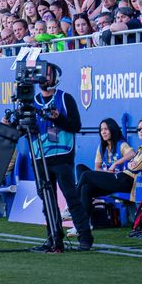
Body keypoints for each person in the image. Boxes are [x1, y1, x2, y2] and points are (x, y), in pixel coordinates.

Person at [28, 62, 93, 251]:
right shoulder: (31, 102)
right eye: (41, 74)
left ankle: (85, 237)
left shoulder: (65, 98)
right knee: (47, 201)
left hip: (62, 156)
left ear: (56, 77)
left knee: (72, 198)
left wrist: (59, 118)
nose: (44, 77)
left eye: (48, 74)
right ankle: (54, 239)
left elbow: (76, 126)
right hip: (39, 159)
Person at [75, 118, 142, 224]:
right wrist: (131, 163)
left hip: (127, 180)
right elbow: (132, 163)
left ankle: (72, 205)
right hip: (121, 178)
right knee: (85, 187)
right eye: (139, 129)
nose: (141, 131)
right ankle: (82, 224)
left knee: (85, 175)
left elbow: (134, 166)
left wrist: (123, 164)